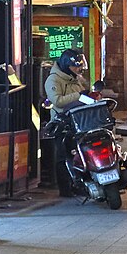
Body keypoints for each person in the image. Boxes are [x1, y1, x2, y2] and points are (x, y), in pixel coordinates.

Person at [44, 49, 90, 195]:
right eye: (75, 66)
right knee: (63, 156)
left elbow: (82, 97)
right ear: (65, 65)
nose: (78, 69)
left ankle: (82, 184)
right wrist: (78, 95)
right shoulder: (54, 79)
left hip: (78, 122)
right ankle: (65, 189)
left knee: (80, 153)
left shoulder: (74, 78)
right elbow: (57, 101)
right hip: (62, 123)